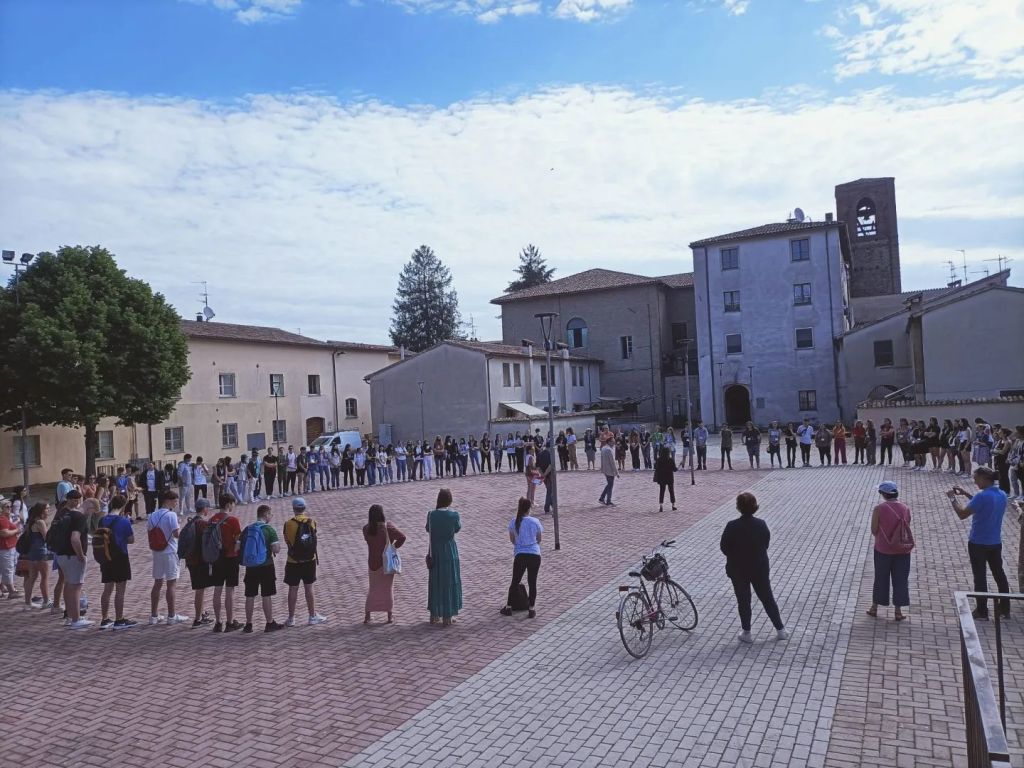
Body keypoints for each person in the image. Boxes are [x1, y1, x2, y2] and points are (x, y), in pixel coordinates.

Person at [720, 492, 789, 643]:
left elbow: (724, 547)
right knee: (767, 597)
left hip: (738, 569)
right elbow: (766, 543)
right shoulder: (761, 524)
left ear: (738, 507)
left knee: (743, 600)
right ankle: (780, 629)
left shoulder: (732, 526)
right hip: (759, 567)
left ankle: (747, 632)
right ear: (755, 507)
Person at [948, 467, 1010, 620]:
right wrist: (966, 494)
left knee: (980, 576)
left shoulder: (981, 496)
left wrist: (952, 499)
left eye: (976, 479)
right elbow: (981, 505)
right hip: (995, 541)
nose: (975, 482)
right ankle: (1005, 608)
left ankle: (982, 610)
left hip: (978, 542)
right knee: (999, 574)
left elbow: (962, 514)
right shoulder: (1001, 494)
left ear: (984, 478)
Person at [866, 481, 912, 621]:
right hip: (902, 550)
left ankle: (874, 607)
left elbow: (874, 530)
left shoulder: (879, 508)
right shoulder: (905, 508)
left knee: (880, 578)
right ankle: (898, 611)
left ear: (883, 494)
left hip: (883, 549)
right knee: (901, 580)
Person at [239, 504, 284, 633]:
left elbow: (238, 546)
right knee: (266, 594)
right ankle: (269, 623)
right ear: (266, 515)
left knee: (250, 594)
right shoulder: (269, 530)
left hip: (251, 566)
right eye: (270, 514)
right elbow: (276, 549)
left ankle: (248, 624)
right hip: (266, 565)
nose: (271, 516)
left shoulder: (248, 529)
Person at [283, 497, 327, 627]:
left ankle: (291, 618)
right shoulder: (311, 522)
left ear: (293, 508)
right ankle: (312, 615)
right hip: (309, 559)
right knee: (309, 587)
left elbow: (287, 540)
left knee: (293, 588)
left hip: (293, 560)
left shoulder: (288, 524)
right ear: (304, 508)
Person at [51, 490, 92, 629]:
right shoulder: (78, 517)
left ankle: (69, 616)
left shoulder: (60, 513)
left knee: (68, 584)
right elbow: (75, 538)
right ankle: (76, 619)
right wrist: (81, 555)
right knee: (76, 587)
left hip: (61, 554)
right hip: (73, 555)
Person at [147, 489, 189, 625]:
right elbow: (177, 534)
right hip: (170, 551)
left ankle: (154, 615)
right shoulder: (171, 515)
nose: (176, 503)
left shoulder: (152, 515)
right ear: (168, 501)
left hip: (157, 551)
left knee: (157, 583)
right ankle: (171, 615)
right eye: (175, 500)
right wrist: (180, 525)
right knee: (171, 583)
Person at [96, 495, 137, 629]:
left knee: (107, 588)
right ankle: (119, 619)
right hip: (120, 556)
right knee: (120, 589)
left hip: (105, 555)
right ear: (123, 506)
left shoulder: (102, 520)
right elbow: (131, 540)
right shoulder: (123, 521)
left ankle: (104, 618)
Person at [363, 504, 407, 624]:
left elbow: (368, 540)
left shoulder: (366, 529)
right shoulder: (388, 527)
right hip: (386, 562)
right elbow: (402, 537)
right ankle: (389, 616)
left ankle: (367, 615)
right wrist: (393, 547)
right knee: (388, 589)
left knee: (373, 589)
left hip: (372, 563)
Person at [500, 497, 543, 618]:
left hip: (520, 554)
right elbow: (539, 539)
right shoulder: (535, 521)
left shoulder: (514, 521)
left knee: (515, 580)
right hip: (534, 554)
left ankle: (508, 606)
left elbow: (512, 540)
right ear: (529, 508)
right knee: (532, 582)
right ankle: (532, 608)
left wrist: (520, 545)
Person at [426, 488, 463, 626]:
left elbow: (428, 529)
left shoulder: (431, 515)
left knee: (435, 582)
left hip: (434, 551)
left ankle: (434, 614)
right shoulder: (454, 515)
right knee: (449, 582)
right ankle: (448, 615)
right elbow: (457, 528)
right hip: (449, 551)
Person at [208, 494, 243, 632]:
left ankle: (218, 622)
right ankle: (230, 621)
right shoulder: (233, 520)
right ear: (228, 504)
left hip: (216, 558)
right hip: (230, 557)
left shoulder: (212, 520)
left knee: (217, 590)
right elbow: (238, 541)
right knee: (230, 590)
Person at [182, 498, 214, 628]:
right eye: (208, 508)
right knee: (200, 590)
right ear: (205, 509)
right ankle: (197, 619)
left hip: (190, 560)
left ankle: (201, 614)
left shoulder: (190, 522)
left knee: (199, 588)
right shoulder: (203, 524)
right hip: (200, 560)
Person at [21, 502, 53, 609]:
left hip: (31, 552)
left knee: (32, 577)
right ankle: (46, 600)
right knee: (44, 577)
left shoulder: (30, 522)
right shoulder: (40, 522)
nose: (48, 511)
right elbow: (46, 538)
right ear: (41, 510)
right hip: (40, 552)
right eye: (47, 509)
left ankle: (27, 602)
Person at [0, 499, 21, 598]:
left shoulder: (5, 518)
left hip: (8, 547)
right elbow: (4, 533)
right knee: (8, 569)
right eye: (7, 507)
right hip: (5, 548)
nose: (10, 508)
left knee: (5, 569)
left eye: (10, 506)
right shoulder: (2, 519)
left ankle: (5, 588)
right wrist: (17, 530)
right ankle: (11, 591)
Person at [654, 446, 677, 512]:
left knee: (662, 491)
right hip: (669, 477)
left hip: (662, 477)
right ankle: (673, 505)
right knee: (671, 491)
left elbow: (656, 468)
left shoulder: (659, 459)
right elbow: (674, 469)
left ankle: (661, 505)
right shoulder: (670, 460)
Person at [598, 437, 619, 506]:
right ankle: (608, 501)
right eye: (612, 441)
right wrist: (616, 472)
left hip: (605, 470)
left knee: (609, 485)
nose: (614, 443)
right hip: (610, 470)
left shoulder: (603, 448)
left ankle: (602, 498)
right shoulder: (609, 450)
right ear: (609, 442)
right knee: (610, 486)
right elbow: (612, 462)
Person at [536, 439, 554, 514]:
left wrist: (542, 474)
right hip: (549, 475)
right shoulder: (550, 454)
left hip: (544, 475)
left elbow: (537, 466)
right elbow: (550, 466)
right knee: (550, 491)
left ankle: (553, 505)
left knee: (550, 490)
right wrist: (545, 474)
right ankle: (546, 508)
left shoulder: (539, 454)